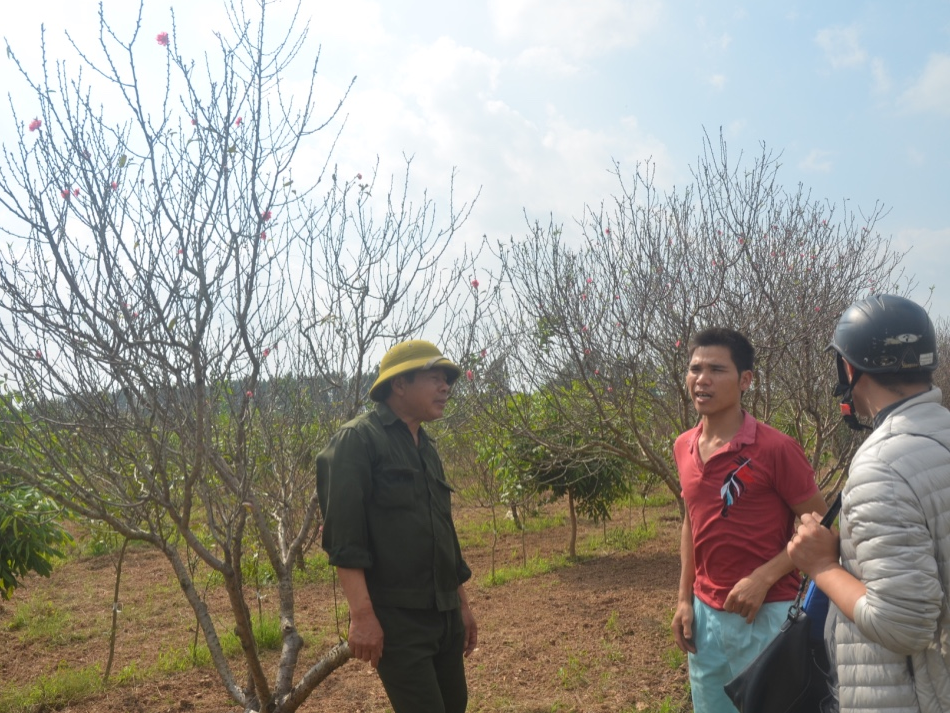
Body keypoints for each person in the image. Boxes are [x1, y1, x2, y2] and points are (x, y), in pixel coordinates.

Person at [788, 294, 950, 713]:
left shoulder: (882, 466)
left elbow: (902, 624)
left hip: (907, 697)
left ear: (849, 367)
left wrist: (822, 566)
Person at [671, 327, 827, 713]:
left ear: (745, 380)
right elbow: (692, 521)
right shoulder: (683, 446)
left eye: (716, 370)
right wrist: (683, 600)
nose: (701, 379)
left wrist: (763, 578)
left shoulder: (775, 448)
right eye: (694, 368)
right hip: (705, 617)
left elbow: (822, 528)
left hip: (766, 613)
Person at [317, 340, 477, 713]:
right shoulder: (357, 441)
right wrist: (362, 616)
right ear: (399, 385)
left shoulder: (426, 447)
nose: (446, 387)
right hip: (399, 622)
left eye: (447, 380)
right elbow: (344, 539)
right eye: (435, 378)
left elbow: (444, 534)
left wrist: (462, 605)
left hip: (444, 613)